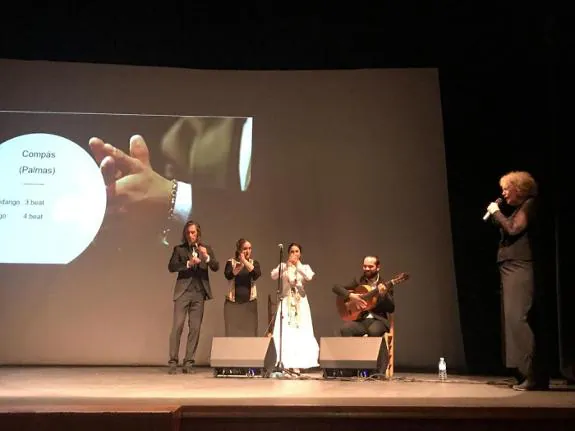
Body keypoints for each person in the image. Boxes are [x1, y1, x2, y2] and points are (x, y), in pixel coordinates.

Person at [485, 170, 549, 391]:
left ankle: (533, 375)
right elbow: (507, 228)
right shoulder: (519, 209)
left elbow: (513, 229)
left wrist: (496, 213)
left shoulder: (530, 204)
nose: (503, 193)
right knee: (512, 320)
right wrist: (497, 215)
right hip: (511, 267)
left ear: (519, 189)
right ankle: (524, 373)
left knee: (518, 319)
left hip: (520, 267)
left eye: (506, 188)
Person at [167, 220, 219, 374]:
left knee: (195, 328)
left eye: (193, 232)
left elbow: (216, 266)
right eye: (188, 232)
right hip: (183, 292)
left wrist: (206, 257)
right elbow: (171, 266)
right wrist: (188, 263)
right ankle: (173, 362)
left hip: (199, 293)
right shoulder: (179, 249)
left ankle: (188, 362)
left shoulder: (206, 249)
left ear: (198, 234)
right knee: (177, 327)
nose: (190, 235)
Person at [332, 255, 395, 377]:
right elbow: (336, 288)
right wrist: (352, 296)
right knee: (346, 329)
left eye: (370, 266)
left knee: (374, 331)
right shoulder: (358, 282)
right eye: (365, 266)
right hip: (361, 320)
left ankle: (378, 372)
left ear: (378, 267)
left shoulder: (385, 285)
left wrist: (384, 295)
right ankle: (350, 369)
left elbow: (391, 308)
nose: (366, 268)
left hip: (379, 320)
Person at [270, 243, 319, 373]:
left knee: (300, 330)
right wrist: (286, 266)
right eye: (292, 251)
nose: (294, 254)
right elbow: (273, 275)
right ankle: (284, 361)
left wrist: (297, 266)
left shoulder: (304, 267)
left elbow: (309, 277)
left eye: (297, 251)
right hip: (286, 301)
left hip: (300, 302)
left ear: (300, 254)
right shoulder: (284, 266)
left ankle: (298, 362)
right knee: (285, 330)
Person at [223, 238, 262, 336]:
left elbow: (256, 274)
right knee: (232, 332)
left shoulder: (254, 263)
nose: (248, 251)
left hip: (250, 303)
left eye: (249, 248)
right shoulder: (231, 262)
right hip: (233, 303)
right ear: (239, 250)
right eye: (245, 249)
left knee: (250, 331)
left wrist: (244, 261)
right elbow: (228, 275)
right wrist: (237, 268)